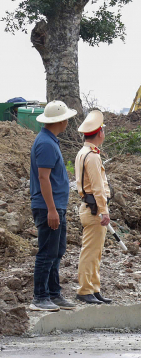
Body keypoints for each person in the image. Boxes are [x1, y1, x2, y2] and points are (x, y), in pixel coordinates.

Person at [29, 101, 78, 311]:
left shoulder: (50, 141)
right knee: (47, 252)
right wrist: (51, 209)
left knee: (57, 250)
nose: (68, 121)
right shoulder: (46, 144)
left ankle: (53, 293)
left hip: (56, 205)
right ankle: (39, 297)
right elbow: (43, 177)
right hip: (49, 207)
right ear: (61, 120)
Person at [74, 110, 113, 305]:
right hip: (94, 209)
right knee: (90, 251)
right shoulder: (92, 156)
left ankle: (94, 288)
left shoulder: (84, 152)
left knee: (96, 251)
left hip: (91, 207)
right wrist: (104, 210)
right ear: (99, 134)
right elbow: (97, 187)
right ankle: (85, 290)